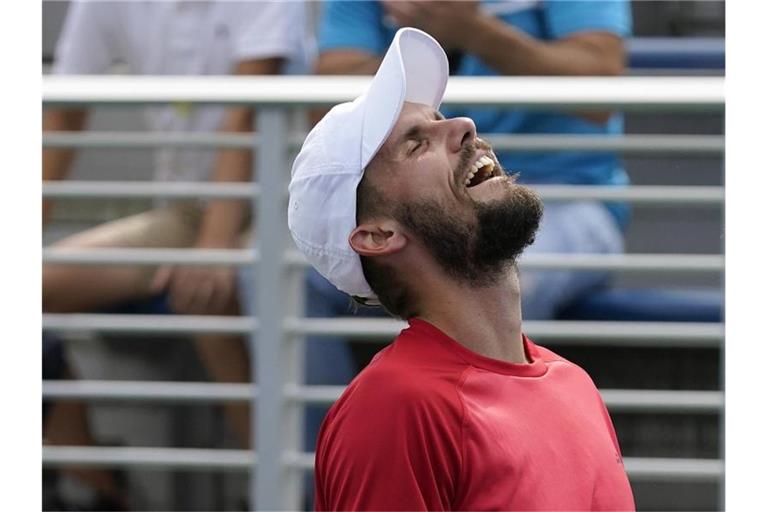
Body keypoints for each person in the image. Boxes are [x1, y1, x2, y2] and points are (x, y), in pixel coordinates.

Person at [288, 27, 635, 510]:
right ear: (378, 235)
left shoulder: (573, 382)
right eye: (416, 143)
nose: (464, 126)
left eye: (440, 118)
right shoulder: (395, 407)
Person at [42, 1, 309, 507]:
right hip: (188, 212)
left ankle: (279, 495)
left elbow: (248, 114)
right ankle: (95, 487)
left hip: (288, 204)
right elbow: (65, 109)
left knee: (207, 296)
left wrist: (214, 247)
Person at [313, 0, 632, 322]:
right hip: (414, 205)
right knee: (289, 276)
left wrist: (472, 31)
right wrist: (427, 42)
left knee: (500, 277)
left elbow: (600, 87)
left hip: (569, 197)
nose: (463, 127)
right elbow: (328, 114)